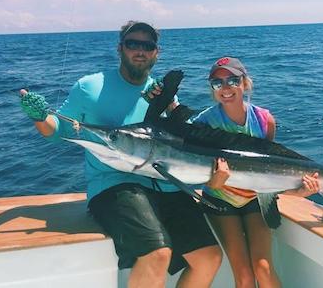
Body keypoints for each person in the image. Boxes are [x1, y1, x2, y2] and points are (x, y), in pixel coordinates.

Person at [20, 21, 222, 288]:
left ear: (156, 53)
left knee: (209, 257)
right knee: (157, 254)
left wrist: (172, 106)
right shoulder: (89, 87)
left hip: (163, 183)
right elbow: (57, 131)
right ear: (120, 48)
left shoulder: (159, 92)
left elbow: (180, 136)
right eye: (133, 44)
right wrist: (40, 116)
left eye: (147, 46)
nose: (140, 50)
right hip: (113, 184)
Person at [192, 57, 320, 288]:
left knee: (263, 269)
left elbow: (268, 172)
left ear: (245, 83)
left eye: (232, 80)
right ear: (211, 89)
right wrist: (215, 182)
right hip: (220, 201)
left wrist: (298, 192)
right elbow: (198, 170)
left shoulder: (264, 120)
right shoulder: (202, 122)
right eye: (217, 83)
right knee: (244, 277)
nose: (226, 88)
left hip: (255, 200)